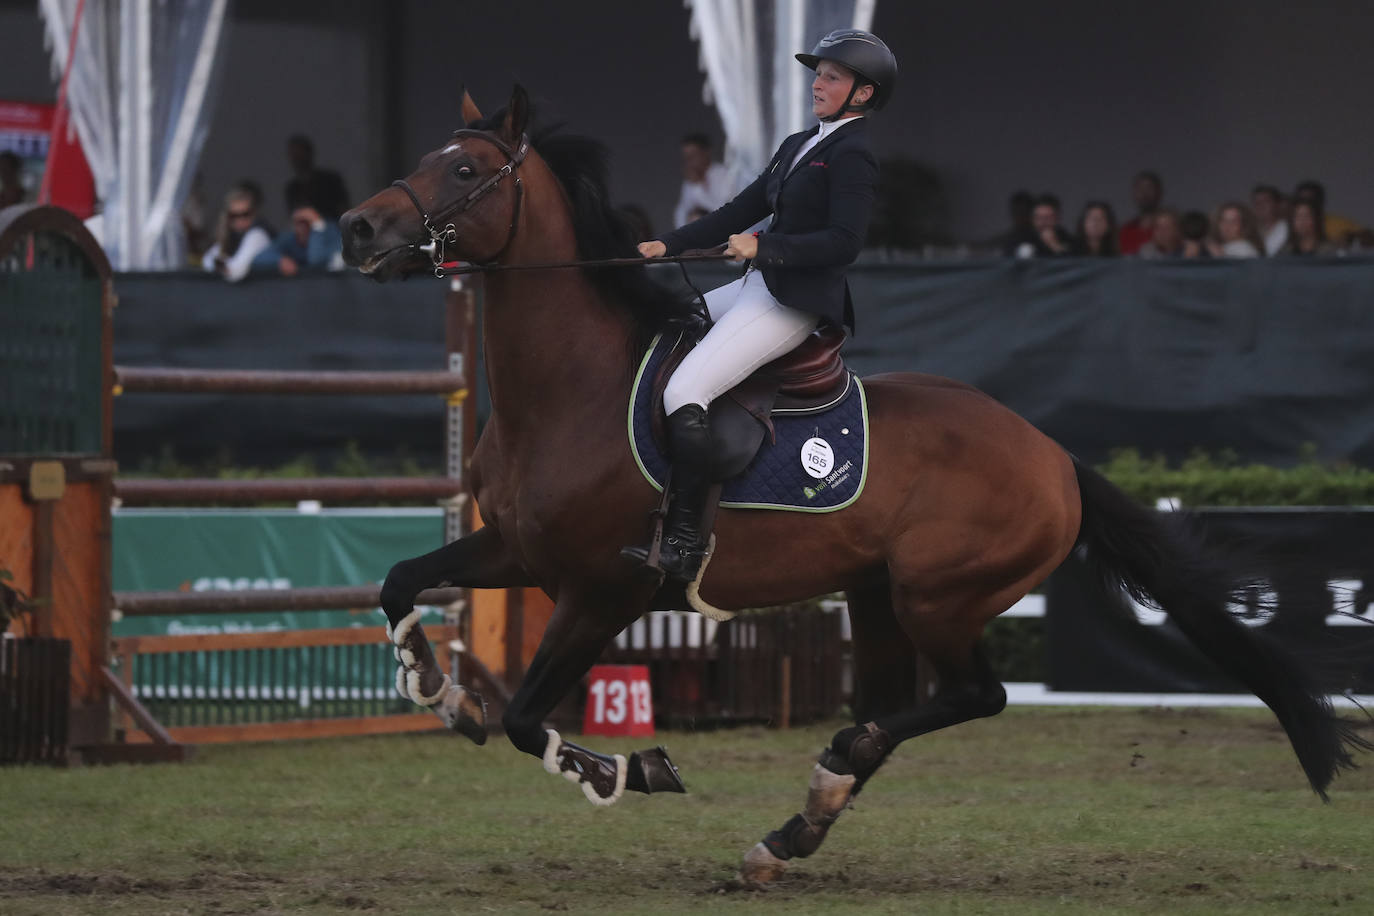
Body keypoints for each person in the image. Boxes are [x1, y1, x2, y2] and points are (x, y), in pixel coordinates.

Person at [623, 28, 895, 584]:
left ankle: (681, 542)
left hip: (792, 302)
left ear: (862, 94)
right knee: (662, 331)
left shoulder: (855, 155)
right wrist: (664, 245)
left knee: (685, 390)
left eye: (833, 76)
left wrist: (764, 245)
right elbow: (736, 210)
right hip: (756, 286)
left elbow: (845, 242)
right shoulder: (799, 144)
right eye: (818, 73)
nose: (818, 82)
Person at [202, 182, 274, 282]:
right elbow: (207, 261)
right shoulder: (231, 237)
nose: (239, 221)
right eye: (234, 216)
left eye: (245, 214)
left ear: (254, 213)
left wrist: (221, 264)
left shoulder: (258, 234)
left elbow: (236, 271)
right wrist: (219, 264)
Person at [255, 204, 344, 275]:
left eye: (307, 222)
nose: (302, 227)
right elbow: (258, 259)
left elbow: (316, 261)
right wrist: (279, 260)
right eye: (298, 222)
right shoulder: (290, 238)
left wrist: (317, 227)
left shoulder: (330, 234)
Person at [672, 133, 733, 229]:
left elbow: (722, 210)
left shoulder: (723, 174)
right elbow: (681, 215)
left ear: (706, 152)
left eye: (693, 155)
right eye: (686, 157)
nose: (689, 161)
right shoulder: (689, 181)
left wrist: (697, 186)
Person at [283, 134, 349, 222]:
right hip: (307, 234)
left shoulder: (330, 180)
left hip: (333, 230)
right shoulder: (292, 189)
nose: (297, 159)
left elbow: (343, 209)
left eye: (299, 154)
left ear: (309, 153)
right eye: (293, 155)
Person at [1292, 180, 1366, 250]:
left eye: (1311, 201)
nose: (1302, 221)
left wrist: (1351, 236)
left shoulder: (1337, 223)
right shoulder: (1286, 247)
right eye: (1301, 200)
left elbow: (1366, 235)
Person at [1118, 170, 1163, 255]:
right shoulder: (1125, 231)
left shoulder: (1168, 229)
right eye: (1140, 189)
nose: (1144, 193)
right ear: (1134, 193)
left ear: (1158, 192)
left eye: (1149, 188)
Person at [993, 189, 1035, 256]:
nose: (1020, 216)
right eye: (1016, 212)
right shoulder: (1007, 239)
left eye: (1023, 212)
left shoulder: (1041, 239)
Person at [1251, 184, 1288, 256]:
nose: (1261, 206)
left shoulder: (1287, 228)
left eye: (1266, 201)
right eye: (1257, 203)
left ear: (1276, 204)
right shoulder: (1250, 229)